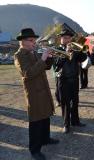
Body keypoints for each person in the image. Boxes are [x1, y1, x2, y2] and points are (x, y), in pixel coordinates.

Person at [14, 28, 59, 160]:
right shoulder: (19, 55)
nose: (34, 42)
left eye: (34, 40)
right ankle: (35, 149)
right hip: (33, 93)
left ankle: (45, 139)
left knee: (45, 116)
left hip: (42, 89)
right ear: (23, 41)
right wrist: (43, 58)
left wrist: (49, 58)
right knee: (36, 121)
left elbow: (45, 67)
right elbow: (27, 73)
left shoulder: (32, 52)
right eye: (31, 40)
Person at [53, 29, 87, 133]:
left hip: (74, 79)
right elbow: (56, 66)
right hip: (63, 80)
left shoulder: (75, 49)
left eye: (69, 37)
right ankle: (66, 124)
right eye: (65, 37)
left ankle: (75, 121)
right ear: (61, 39)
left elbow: (83, 58)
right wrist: (66, 53)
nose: (67, 39)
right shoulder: (57, 50)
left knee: (75, 102)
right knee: (65, 103)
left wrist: (81, 50)